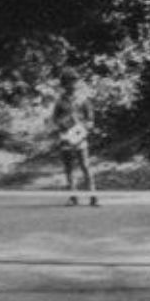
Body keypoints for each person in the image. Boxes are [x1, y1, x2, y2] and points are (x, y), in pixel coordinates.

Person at [52, 69, 98, 206]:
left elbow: (90, 119)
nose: (71, 85)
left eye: (73, 81)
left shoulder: (84, 99)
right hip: (66, 136)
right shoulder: (60, 101)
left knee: (85, 166)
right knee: (69, 167)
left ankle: (93, 195)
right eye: (67, 82)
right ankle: (73, 196)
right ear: (63, 84)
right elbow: (55, 119)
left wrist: (84, 129)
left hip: (79, 136)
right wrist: (62, 125)